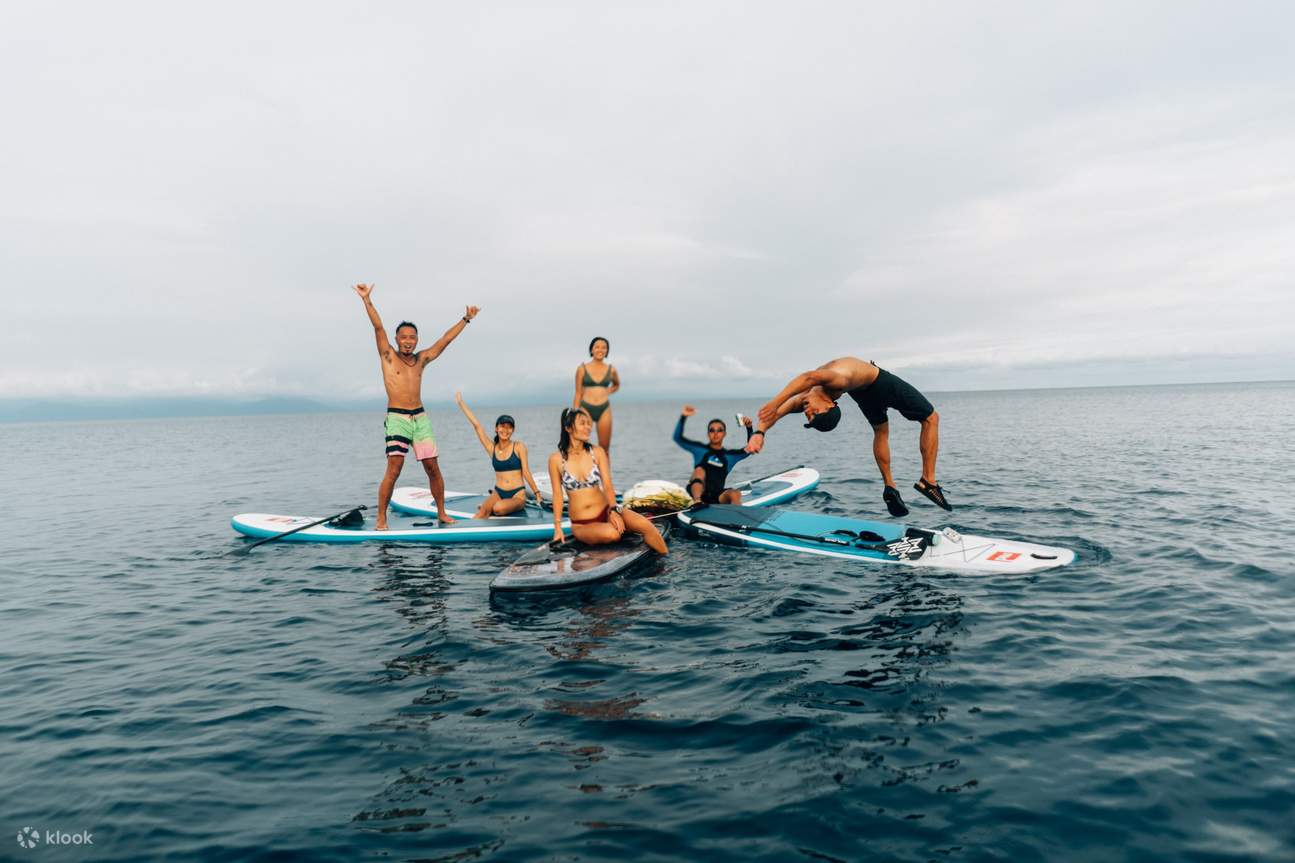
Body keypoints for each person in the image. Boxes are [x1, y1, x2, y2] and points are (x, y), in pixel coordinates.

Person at [747, 356, 949, 517]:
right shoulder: (829, 386)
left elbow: (804, 382)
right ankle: (926, 482)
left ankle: (893, 486)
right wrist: (759, 432)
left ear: (829, 404)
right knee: (930, 418)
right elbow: (778, 409)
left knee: (882, 430)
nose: (808, 413)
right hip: (872, 384)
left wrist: (770, 411)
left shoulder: (823, 387)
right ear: (829, 404)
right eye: (812, 416)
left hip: (868, 388)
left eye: (812, 415)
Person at [354, 283, 480, 529]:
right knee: (394, 469)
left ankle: (441, 512)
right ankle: (381, 517)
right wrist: (367, 300)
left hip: (420, 418)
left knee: (433, 467)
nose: (408, 341)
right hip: (397, 418)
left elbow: (444, 341)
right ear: (397, 339)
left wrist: (466, 318)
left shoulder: (421, 359)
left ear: (417, 340)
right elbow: (377, 326)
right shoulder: (388, 355)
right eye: (404, 337)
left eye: (412, 337)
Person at [548, 407, 668, 554]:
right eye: (582, 423)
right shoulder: (556, 460)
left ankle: (667, 563)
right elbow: (557, 495)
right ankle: (625, 531)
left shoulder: (597, 452)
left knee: (647, 526)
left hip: (606, 510)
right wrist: (558, 527)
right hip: (583, 524)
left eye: (589, 423)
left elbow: (608, 485)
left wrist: (613, 511)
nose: (588, 427)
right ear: (568, 428)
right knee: (613, 533)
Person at [454, 392, 542, 518]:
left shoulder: (519, 446)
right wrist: (461, 403)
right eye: (502, 426)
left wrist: (537, 493)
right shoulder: (492, 448)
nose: (505, 430)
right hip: (498, 492)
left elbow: (526, 472)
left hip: (517, 494)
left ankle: (503, 504)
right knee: (482, 513)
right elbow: (477, 426)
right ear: (496, 428)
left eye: (509, 428)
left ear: (513, 430)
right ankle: (462, 533)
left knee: (497, 509)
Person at [673, 405, 755, 504]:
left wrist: (749, 428)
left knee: (735, 494)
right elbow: (678, 438)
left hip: (717, 497)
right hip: (696, 495)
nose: (715, 434)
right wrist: (683, 416)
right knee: (700, 470)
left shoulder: (730, 456)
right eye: (712, 430)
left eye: (719, 430)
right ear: (708, 434)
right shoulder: (699, 449)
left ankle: (737, 516)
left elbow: (751, 448)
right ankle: (697, 502)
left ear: (724, 434)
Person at [572, 337, 619, 455]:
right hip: (585, 407)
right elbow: (578, 393)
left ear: (607, 351)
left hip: (604, 409)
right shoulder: (582, 369)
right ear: (591, 350)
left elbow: (616, 385)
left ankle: (605, 474)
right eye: (597, 347)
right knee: (580, 446)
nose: (600, 350)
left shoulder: (611, 369)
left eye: (604, 347)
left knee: (604, 449)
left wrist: (607, 391)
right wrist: (574, 414)